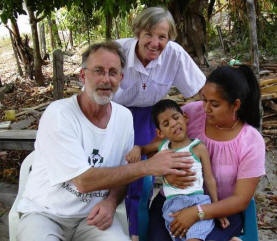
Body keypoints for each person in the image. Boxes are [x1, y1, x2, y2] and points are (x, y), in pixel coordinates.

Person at [16, 41, 191, 241]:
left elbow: (123, 172)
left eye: (113, 72)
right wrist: (148, 166)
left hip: (92, 218)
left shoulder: (124, 118)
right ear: (83, 75)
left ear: (121, 79)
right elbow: (83, 181)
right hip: (45, 213)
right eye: (98, 71)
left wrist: (111, 201)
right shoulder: (59, 114)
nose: (106, 79)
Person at [113, 6, 206, 241]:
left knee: (142, 180)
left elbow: (199, 91)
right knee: (114, 169)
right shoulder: (117, 51)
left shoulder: (174, 54)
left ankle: (137, 232)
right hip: (114, 115)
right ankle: (108, 224)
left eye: (162, 36)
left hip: (147, 117)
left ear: (169, 38)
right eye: (149, 34)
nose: (155, 43)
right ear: (137, 32)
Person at [147, 65, 266, 241]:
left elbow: (241, 199)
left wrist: (198, 212)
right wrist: (165, 172)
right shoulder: (190, 115)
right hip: (171, 203)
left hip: (222, 211)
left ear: (235, 105)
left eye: (214, 104)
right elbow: (153, 151)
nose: (205, 108)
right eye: (204, 100)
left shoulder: (250, 141)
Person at [127, 99, 234, 241]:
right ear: (160, 133)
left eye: (176, 117)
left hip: (198, 202)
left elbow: (209, 179)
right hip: (171, 207)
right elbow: (143, 149)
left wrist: (215, 208)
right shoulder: (162, 146)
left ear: (185, 117)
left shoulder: (198, 147)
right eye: (166, 124)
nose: (173, 124)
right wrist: (136, 149)